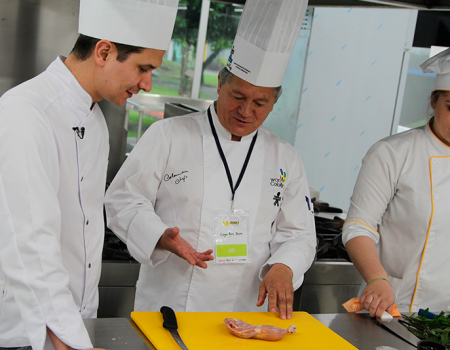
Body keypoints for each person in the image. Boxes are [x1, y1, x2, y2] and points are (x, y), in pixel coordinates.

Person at [105, 0, 315, 321]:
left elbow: (298, 233)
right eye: (239, 97)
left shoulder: (284, 155)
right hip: (172, 304)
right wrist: (159, 235)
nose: (247, 111)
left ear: (274, 102)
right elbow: (123, 199)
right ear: (220, 85)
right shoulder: (168, 135)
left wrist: (284, 267)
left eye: (260, 102)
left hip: (246, 312)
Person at [0, 1, 179, 349]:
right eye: (144, 68)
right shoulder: (24, 112)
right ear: (104, 51)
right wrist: (65, 335)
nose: (147, 83)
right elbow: (31, 239)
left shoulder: (95, 121)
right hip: (27, 331)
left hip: (77, 323)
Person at [343, 48, 450, 318]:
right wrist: (378, 280)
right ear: (433, 101)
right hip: (392, 309)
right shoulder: (394, 153)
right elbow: (359, 227)